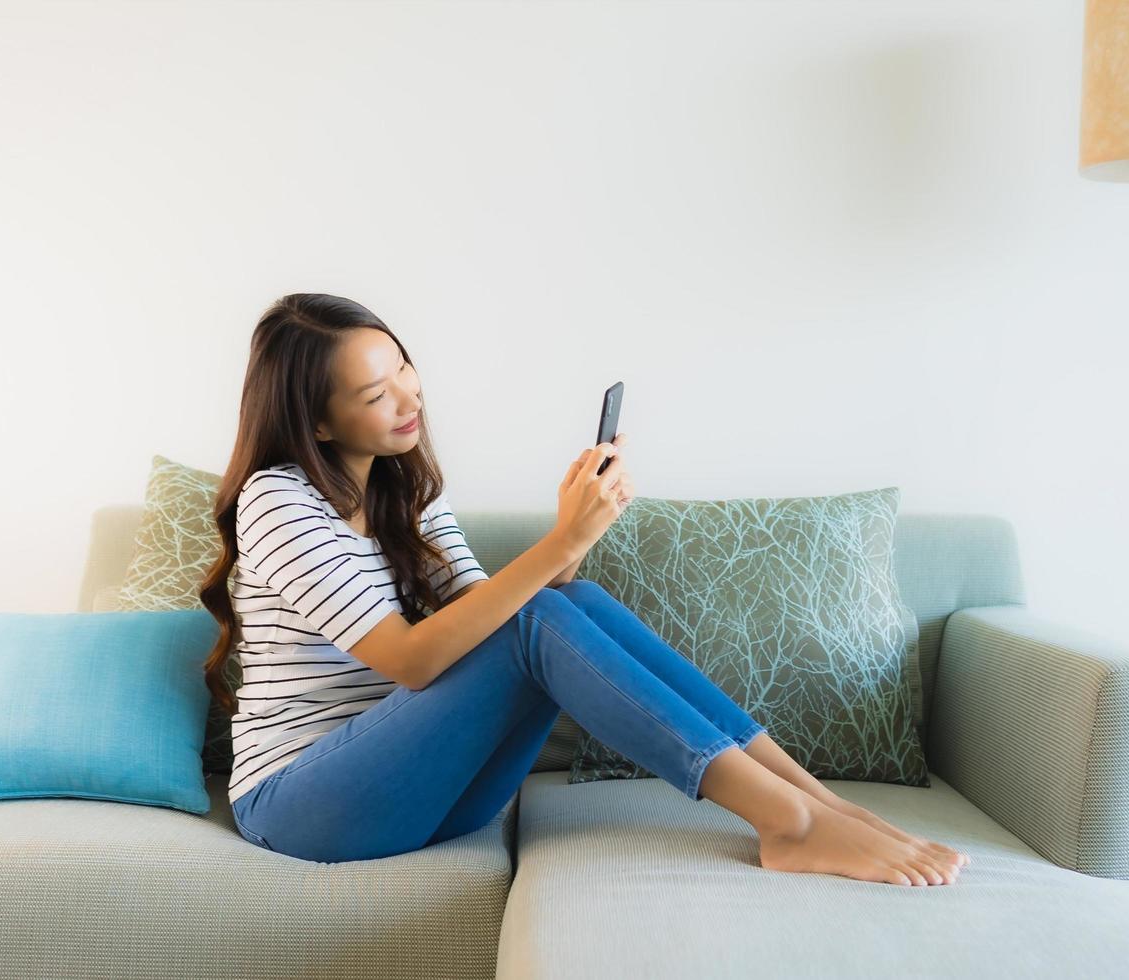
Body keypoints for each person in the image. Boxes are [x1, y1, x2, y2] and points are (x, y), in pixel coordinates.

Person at [196, 292, 970, 885]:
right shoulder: (278, 498)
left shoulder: (407, 489)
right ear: (319, 425)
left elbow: (493, 616)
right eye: (374, 394)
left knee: (573, 604)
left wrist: (580, 530)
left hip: (425, 790)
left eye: (402, 365)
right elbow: (411, 661)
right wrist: (560, 541)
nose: (409, 396)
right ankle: (789, 823)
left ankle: (820, 803)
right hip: (306, 806)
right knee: (542, 614)